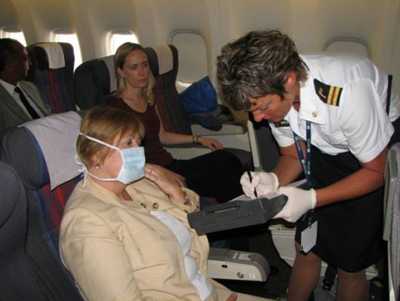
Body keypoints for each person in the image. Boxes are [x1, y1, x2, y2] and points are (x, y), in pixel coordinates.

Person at [217, 30, 400, 301]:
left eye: (262, 107)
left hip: (370, 153)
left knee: (350, 264)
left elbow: (375, 172)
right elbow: (293, 156)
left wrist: (312, 198)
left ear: (289, 81)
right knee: (307, 245)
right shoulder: (271, 91)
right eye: (251, 109)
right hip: (323, 147)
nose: (257, 118)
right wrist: (273, 180)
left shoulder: (347, 93)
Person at [59, 105, 271, 301]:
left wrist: (175, 192)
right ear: (96, 155)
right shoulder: (85, 222)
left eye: (137, 142)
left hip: (208, 290)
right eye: (128, 144)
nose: (139, 151)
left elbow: (193, 225)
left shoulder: (136, 184)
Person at [105, 42, 244, 203]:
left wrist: (199, 139)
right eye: (134, 67)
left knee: (226, 159)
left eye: (145, 65)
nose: (142, 72)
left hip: (170, 163)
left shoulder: (149, 97)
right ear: (121, 72)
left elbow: (162, 136)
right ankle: (234, 215)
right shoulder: (114, 107)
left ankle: (241, 211)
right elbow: (119, 156)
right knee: (218, 177)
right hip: (149, 176)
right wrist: (160, 174)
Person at [0, 38, 50, 131]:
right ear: (10, 63)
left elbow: (47, 114)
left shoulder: (30, 87)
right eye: (25, 58)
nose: (30, 63)